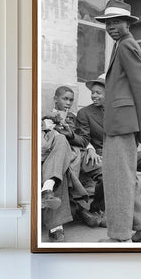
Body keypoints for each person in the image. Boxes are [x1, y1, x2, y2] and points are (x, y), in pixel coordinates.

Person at [93, 0, 141, 243]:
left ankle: (119, 236)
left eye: (117, 22)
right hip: (120, 121)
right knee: (125, 176)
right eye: (108, 23)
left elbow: (140, 87)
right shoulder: (121, 44)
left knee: (118, 178)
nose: (111, 27)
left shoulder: (127, 45)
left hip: (123, 123)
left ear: (128, 24)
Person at [74, 74, 141, 225]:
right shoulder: (85, 113)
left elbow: (139, 109)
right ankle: (99, 208)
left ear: (109, 93)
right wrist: (89, 147)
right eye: (93, 92)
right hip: (102, 155)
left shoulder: (121, 111)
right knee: (109, 171)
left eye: (98, 93)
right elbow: (82, 137)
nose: (94, 96)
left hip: (125, 153)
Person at [40, 85, 99, 242]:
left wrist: (90, 147)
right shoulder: (46, 116)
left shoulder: (74, 117)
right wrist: (49, 124)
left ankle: (49, 192)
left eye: (71, 100)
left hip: (69, 154)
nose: (68, 102)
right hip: (50, 152)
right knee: (59, 140)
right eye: (65, 99)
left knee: (63, 162)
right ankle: (59, 222)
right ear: (55, 99)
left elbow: (83, 137)